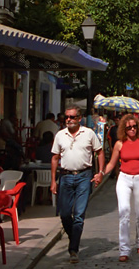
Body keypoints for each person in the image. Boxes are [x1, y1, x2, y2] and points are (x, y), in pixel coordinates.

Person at [50, 107, 106, 264]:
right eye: (66, 117)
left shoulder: (88, 133)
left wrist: (100, 172)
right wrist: (53, 180)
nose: (69, 120)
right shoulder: (60, 135)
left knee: (79, 215)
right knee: (65, 214)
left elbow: (99, 152)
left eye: (72, 117)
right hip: (66, 176)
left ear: (79, 118)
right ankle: (73, 237)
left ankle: (73, 249)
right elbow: (55, 158)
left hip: (84, 176)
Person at [103, 114, 139, 262]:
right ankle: (124, 249)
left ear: (138, 127)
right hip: (124, 178)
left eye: (134, 127)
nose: (132, 129)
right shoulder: (119, 144)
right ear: (123, 129)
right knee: (124, 212)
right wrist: (101, 173)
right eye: (128, 127)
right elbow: (112, 164)